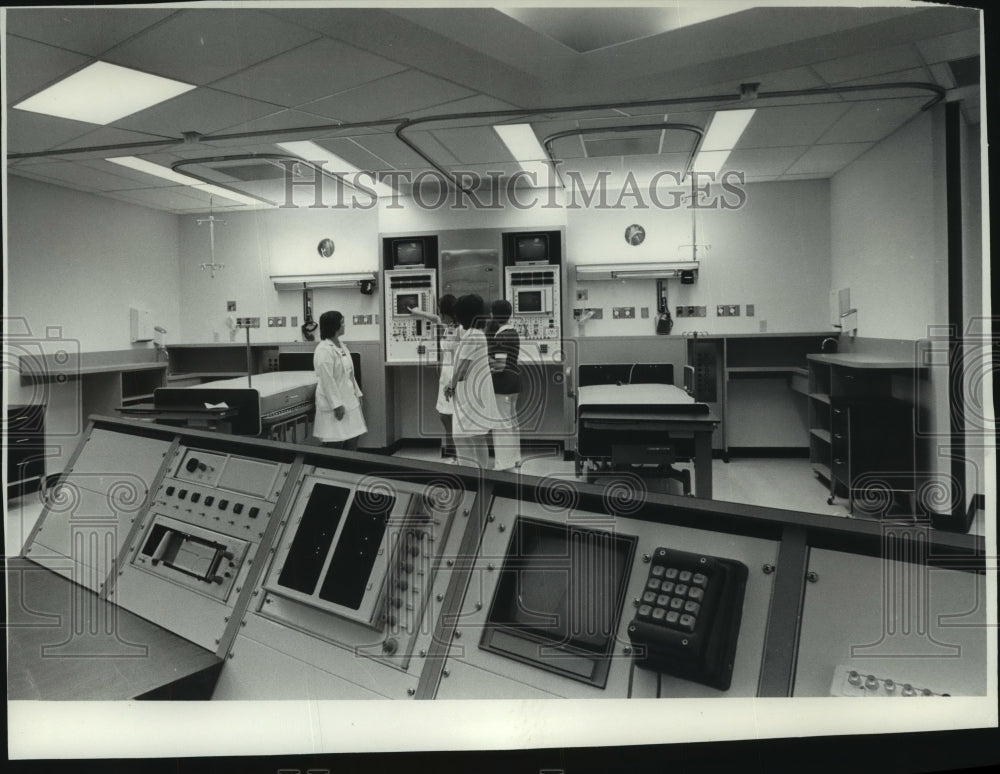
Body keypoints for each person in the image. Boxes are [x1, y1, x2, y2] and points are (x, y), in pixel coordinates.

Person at [444, 294, 503, 470]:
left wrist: (450, 386)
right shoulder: (475, 334)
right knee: (476, 438)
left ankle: (470, 474)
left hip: (470, 396)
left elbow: (462, 370)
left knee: (462, 438)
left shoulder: (472, 336)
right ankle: (480, 474)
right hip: (474, 395)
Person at [409, 295, 458, 462]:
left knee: (452, 415)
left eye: (440, 308)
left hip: (455, 374)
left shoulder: (461, 329)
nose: (438, 311)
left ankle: (458, 455)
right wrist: (418, 312)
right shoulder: (447, 325)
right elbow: (435, 318)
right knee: (444, 415)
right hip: (445, 374)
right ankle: (454, 453)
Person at [313, 310, 366, 450]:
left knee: (354, 435)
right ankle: (331, 469)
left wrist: (358, 394)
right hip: (334, 403)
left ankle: (349, 467)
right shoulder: (323, 350)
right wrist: (337, 405)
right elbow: (326, 380)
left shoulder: (341, 346)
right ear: (335, 325)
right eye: (342, 322)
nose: (344, 325)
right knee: (335, 441)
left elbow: (349, 374)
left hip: (349, 399)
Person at [487, 299, 522, 471]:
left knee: (501, 424)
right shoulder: (513, 332)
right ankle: (515, 458)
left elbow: (499, 366)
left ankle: (503, 463)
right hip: (514, 382)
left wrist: (484, 360)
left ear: (494, 315)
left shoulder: (501, 336)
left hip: (502, 384)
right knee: (512, 422)